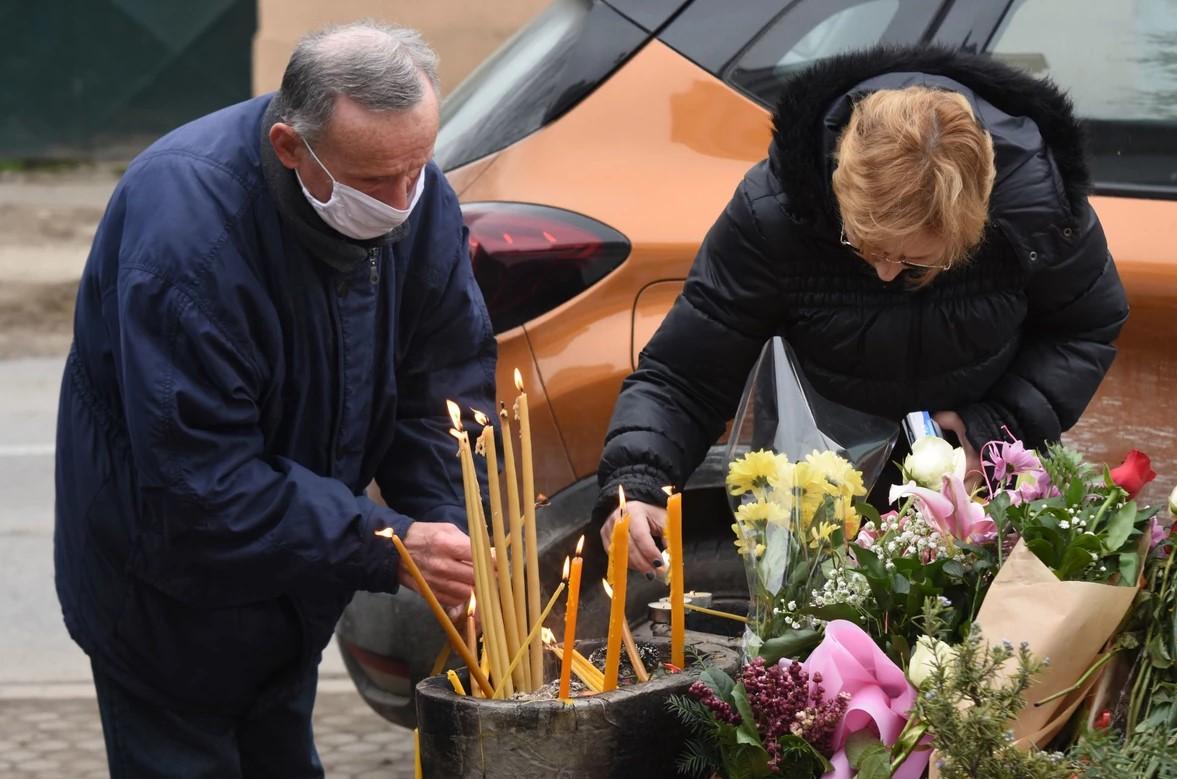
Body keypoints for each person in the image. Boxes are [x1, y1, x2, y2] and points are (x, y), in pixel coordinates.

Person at [54, 21, 494, 777]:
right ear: (292, 147)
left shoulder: (414, 195)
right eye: (372, 180)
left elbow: (438, 391)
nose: (399, 201)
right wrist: (385, 545)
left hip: (292, 578)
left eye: (415, 167)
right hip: (163, 592)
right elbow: (202, 482)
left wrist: (452, 538)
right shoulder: (186, 238)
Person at [595, 46, 1128, 574]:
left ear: (975, 222)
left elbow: (1083, 327)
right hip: (816, 494)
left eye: (917, 259)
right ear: (838, 189)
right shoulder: (776, 213)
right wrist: (639, 482)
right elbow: (687, 372)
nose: (887, 274)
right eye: (866, 247)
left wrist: (998, 427)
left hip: (973, 488)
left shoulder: (1036, 214)